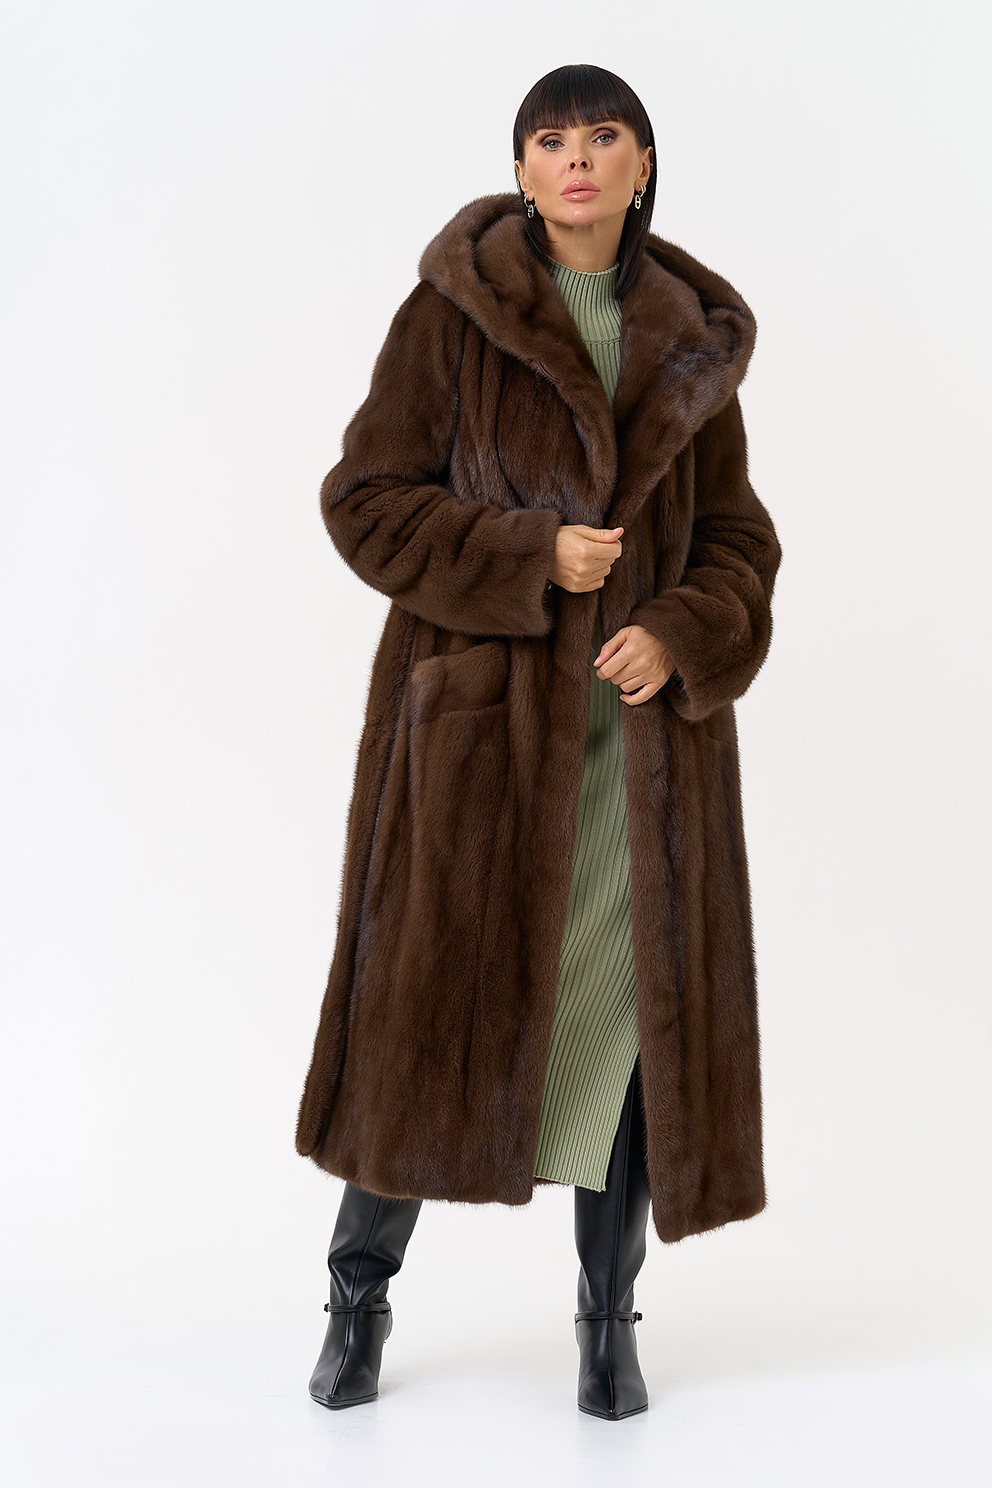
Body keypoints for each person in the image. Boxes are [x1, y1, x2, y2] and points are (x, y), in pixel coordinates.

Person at [296, 63, 782, 1421]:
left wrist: (679, 631)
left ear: (641, 165)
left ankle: (607, 1320)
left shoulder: (691, 343)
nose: (576, 158)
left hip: (638, 761)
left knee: (629, 1038)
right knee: (422, 1027)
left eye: (603, 137)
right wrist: (528, 556)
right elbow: (365, 501)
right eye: (550, 140)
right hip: (483, 752)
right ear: (521, 172)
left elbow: (739, 543)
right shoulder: (451, 317)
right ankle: (356, 1298)